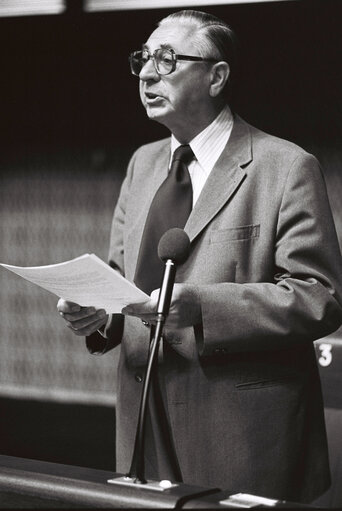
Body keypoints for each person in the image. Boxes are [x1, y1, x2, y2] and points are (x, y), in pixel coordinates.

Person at [57, 10, 342, 503]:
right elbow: (125, 283)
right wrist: (97, 312)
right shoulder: (143, 163)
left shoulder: (286, 166)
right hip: (141, 421)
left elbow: (320, 297)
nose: (147, 73)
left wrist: (202, 307)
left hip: (240, 435)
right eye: (143, 59)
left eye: (167, 59)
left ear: (217, 76)